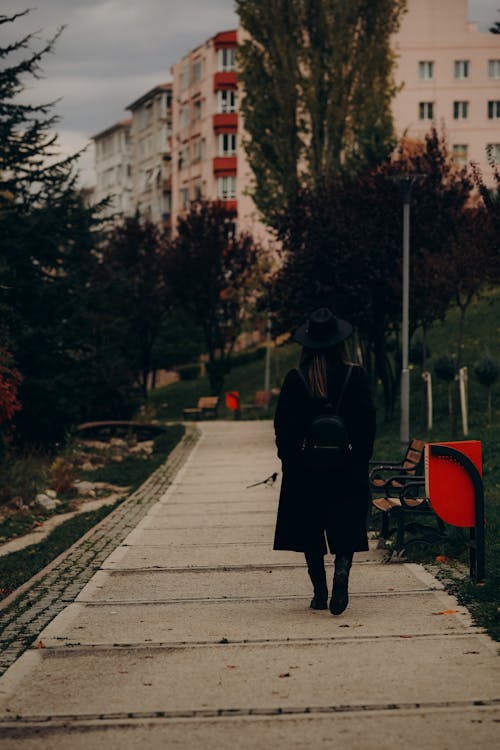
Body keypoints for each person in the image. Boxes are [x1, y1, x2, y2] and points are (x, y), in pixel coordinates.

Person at [273, 307, 376, 615]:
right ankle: (342, 569)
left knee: (310, 530)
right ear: (339, 343)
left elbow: (283, 427)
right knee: (346, 524)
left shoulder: (295, 379)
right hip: (345, 465)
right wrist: (359, 460)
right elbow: (367, 423)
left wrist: (290, 461)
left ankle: (319, 592)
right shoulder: (354, 375)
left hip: (306, 469)